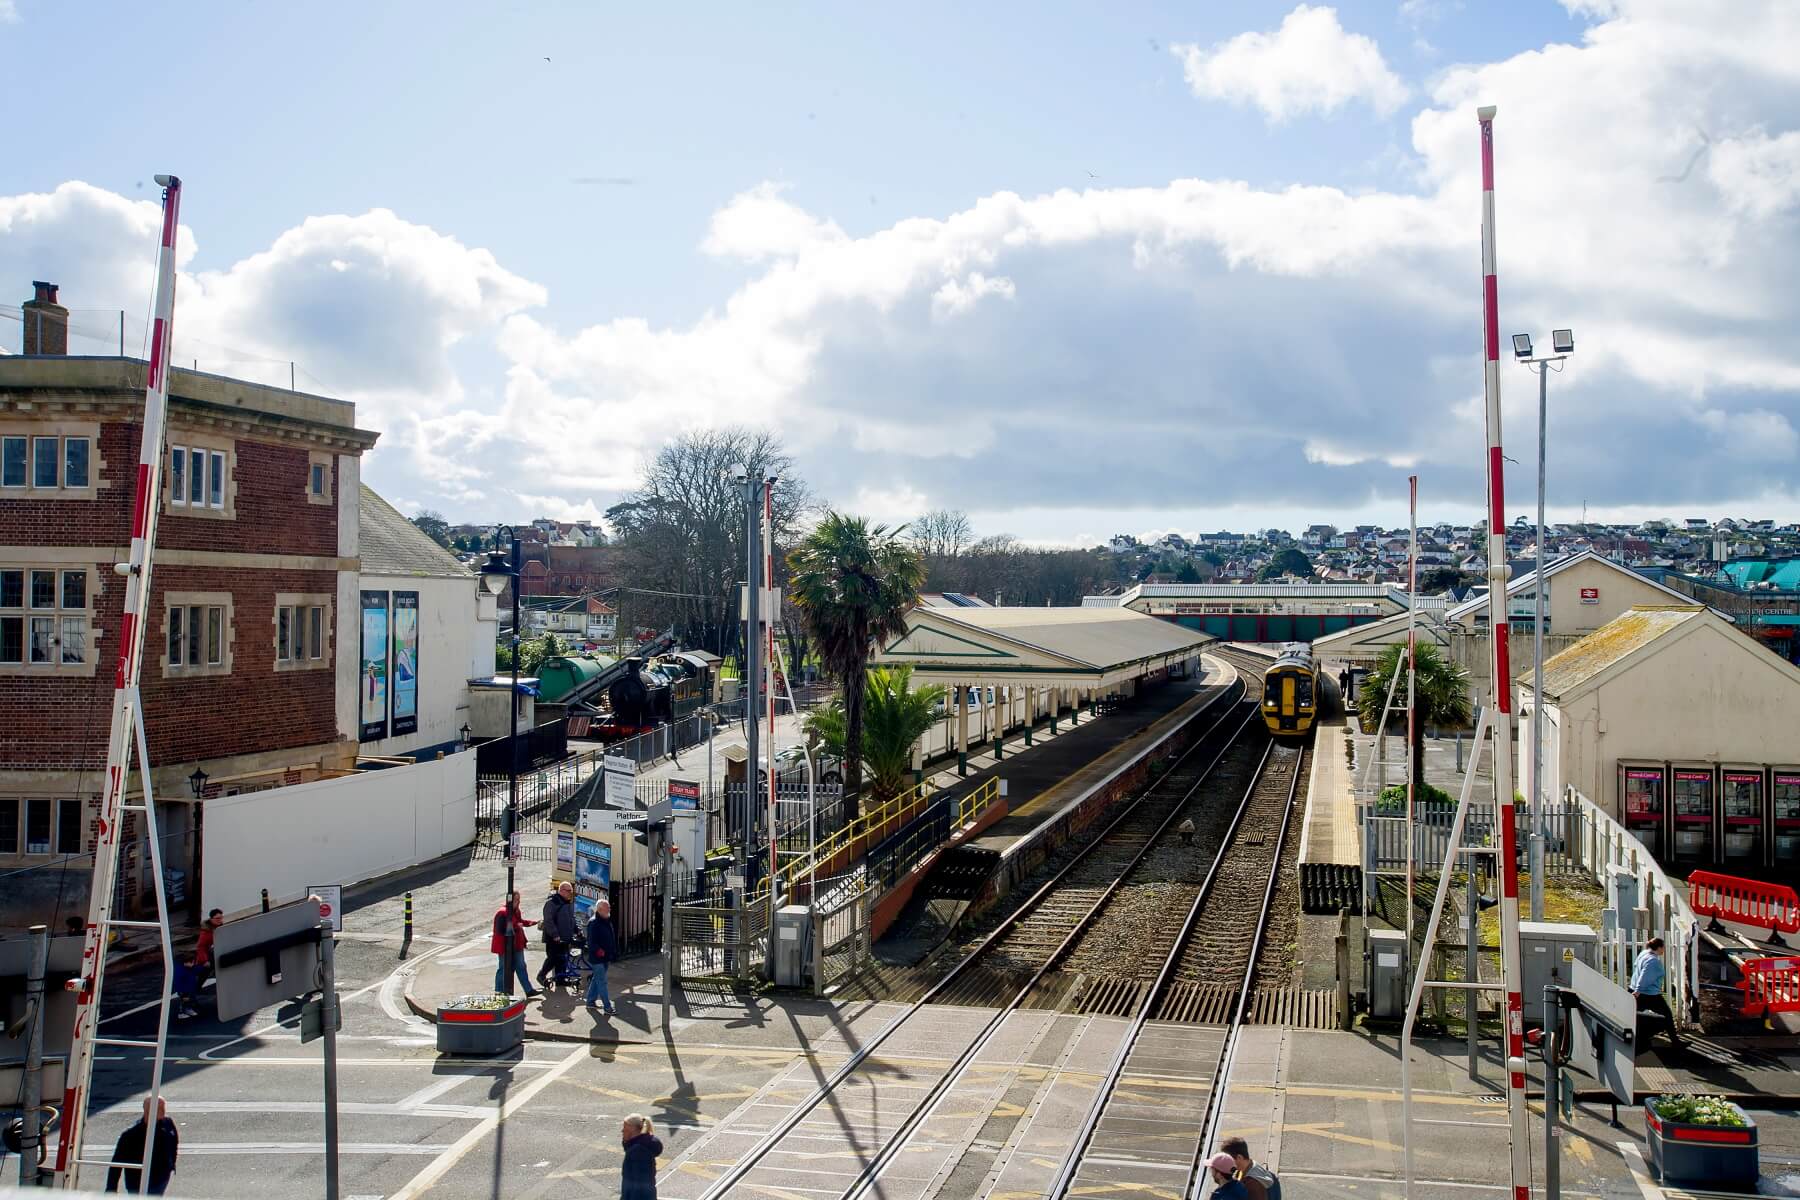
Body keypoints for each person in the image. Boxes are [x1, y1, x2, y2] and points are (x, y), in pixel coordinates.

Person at [105, 1097, 178, 1194]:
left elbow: (174, 1141)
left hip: (161, 1178)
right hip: (137, 1183)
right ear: (149, 1110)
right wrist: (111, 1189)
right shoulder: (130, 1135)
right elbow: (116, 1164)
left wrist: (171, 1164)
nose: (164, 1111)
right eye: (160, 1108)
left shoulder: (167, 1123)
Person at [1630, 936, 1682, 1051]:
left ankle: (1638, 1038)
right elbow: (1645, 977)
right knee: (1666, 1015)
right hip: (1649, 994)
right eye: (1663, 947)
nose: (1664, 950)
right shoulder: (1653, 961)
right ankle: (1675, 1042)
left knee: (1632, 1015)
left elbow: (1636, 968)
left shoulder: (1643, 954)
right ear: (1658, 948)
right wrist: (1638, 990)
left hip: (1639, 991)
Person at [491, 891, 539, 998]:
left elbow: (520, 921)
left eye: (519, 899)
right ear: (510, 900)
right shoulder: (502, 913)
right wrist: (517, 926)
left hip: (517, 944)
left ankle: (529, 990)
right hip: (505, 947)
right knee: (503, 968)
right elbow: (501, 930)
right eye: (516, 899)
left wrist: (532, 923)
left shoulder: (515, 911)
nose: (518, 902)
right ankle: (498, 992)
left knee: (521, 966)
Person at [178, 909, 224, 1018]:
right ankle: (186, 1006)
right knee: (195, 983)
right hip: (204, 963)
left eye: (221, 918)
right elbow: (200, 947)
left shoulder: (219, 928)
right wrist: (205, 961)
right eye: (217, 918)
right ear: (211, 919)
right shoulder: (206, 932)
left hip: (214, 959)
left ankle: (191, 1003)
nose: (220, 920)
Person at [538, 882, 577, 988]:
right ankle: (541, 975)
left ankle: (560, 979)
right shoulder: (552, 903)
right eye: (569, 891)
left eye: (571, 891)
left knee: (563, 959)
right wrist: (555, 935)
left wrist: (576, 931)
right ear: (562, 891)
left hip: (565, 937)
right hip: (553, 938)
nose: (570, 893)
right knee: (553, 958)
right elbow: (548, 921)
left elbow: (571, 919)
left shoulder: (567, 903)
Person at [585, 898, 619, 1015]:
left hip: (605, 956)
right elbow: (591, 942)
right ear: (599, 910)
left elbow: (610, 937)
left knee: (597, 979)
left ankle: (590, 1001)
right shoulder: (593, 923)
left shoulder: (606, 920)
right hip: (597, 958)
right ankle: (607, 1007)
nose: (609, 909)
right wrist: (599, 951)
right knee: (602, 981)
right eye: (607, 907)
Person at [620, 1112, 662, 1200]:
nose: (622, 1131)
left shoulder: (638, 1151)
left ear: (632, 1129)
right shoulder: (640, 1146)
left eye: (625, 1128)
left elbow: (638, 1183)